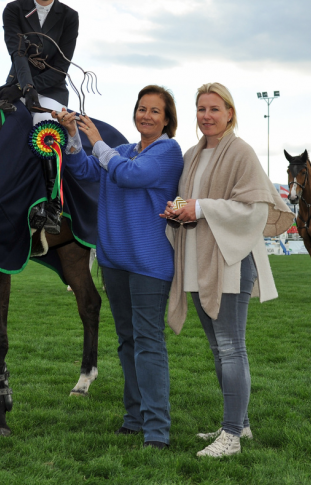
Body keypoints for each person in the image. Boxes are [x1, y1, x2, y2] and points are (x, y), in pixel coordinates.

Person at [162, 82, 293, 458]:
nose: (207, 116)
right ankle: (241, 424)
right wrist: (179, 209)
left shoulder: (241, 152)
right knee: (220, 351)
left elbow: (254, 210)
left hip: (232, 262)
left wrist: (200, 208)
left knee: (232, 348)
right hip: (199, 260)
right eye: (201, 109)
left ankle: (232, 435)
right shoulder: (192, 154)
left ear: (230, 113)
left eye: (214, 109)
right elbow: (191, 201)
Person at [53, 86, 183, 449]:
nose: (146, 115)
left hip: (149, 264)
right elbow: (81, 169)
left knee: (148, 343)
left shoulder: (168, 151)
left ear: (167, 119)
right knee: (127, 342)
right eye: (142, 109)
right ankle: (134, 417)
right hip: (114, 261)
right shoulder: (123, 150)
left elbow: (129, 175)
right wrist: (74, 136)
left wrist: (97, 141)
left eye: (155, 111)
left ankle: (157, 430)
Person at [0, 0, 78, 235]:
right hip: (17, 84)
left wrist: (29, 91)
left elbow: (59, 68)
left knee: (44, 125)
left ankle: (51, 204)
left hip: (52, 91)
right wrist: (22, 89)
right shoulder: (13, 10)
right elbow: (17, 53)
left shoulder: (69, 17)